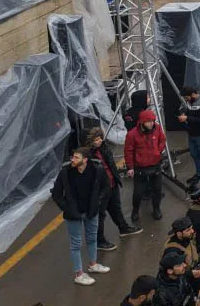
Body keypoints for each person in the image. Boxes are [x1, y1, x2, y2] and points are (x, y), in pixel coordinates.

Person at [52, 149, 111, 285]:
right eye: (72, 157)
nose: (73, 159)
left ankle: (93, 264)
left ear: (85, 160)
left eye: (76, 157)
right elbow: (56, 194)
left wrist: (97, 202)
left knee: (92, 238)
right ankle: (79, 274)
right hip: (74, 214)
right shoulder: (65, 172)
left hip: (91, 212)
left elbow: (106, 187)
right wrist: (67, 208)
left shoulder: (97, 170)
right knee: (76, 244)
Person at [86, 127, 141, 250]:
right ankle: (99, 241)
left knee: (116, 208)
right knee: (100, 215)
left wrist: (116, 180)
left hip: (111, 183)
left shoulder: (104, 148)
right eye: (96, 139)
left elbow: (110, 165)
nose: (99, 141)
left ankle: (123, 228)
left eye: (100, 138)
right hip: (100, 189)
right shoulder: (88, 155)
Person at [124, 109, 167, 223]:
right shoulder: (132, 134)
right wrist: (130, 167)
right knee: (138, 193)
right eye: (149, 121)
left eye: (153, 121)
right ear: (142, 122)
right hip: (140, 168)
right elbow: (128, 151)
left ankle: (156, 209)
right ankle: (135, 211)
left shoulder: (157, 128)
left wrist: (158, 150)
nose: (152, 123)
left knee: (157, 190)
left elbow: (162, 140)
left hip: (155, 166)